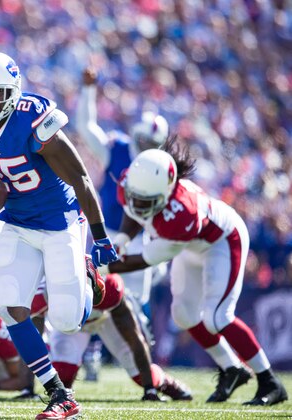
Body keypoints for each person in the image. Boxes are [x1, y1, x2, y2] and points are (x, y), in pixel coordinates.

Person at [0, 51, 118, 419]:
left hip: (60, 222)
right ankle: (59, 394)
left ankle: (87, 277)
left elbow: (82, 178)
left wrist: (100, 238)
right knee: (10, 308)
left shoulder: (34, 120)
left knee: (67, 321)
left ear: (14, 92)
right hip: (17, 223)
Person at [101, 141, 288, 406]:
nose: (137, 203)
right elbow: (134, 210)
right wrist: (121, 239)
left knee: (217, 317)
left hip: (221, 241)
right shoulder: (139, 183)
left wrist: (104, 265)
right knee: (184, 314)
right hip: (191, 246)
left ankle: (270, 381)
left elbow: (145, 259)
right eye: (135, 196)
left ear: (166, 192)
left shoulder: (181, 215)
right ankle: (232, 369)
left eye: (146, 201)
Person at [75, 68, 170, 381]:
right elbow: (86, 127)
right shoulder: (117, 150)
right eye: (143, 140)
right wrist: (88, 90)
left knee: (135, 301)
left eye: (151, 143)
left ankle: (141, 361)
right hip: (108, 234)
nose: (145, 147)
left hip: (141, 238)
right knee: (94, 291)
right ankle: (90, 350)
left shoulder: (160, 165)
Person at [49, 271, 192, 402]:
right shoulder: (53, 286)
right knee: (63, 373)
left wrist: (149, 389)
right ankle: (55, 395)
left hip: (106, 316)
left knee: (139, 373)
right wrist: (27, 387)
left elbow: (135, 339)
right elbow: (31, 326)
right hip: (69, 321)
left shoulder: (110, 289)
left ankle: (166, 383)